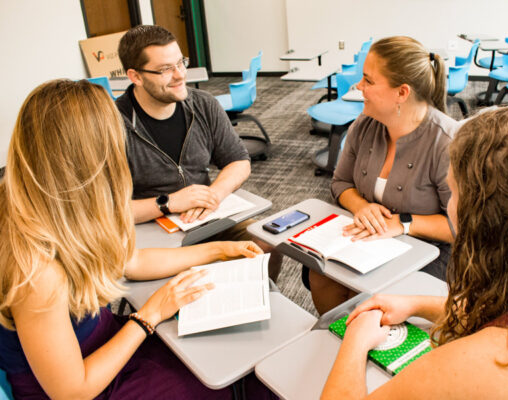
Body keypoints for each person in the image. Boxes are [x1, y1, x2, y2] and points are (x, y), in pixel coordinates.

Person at [0, 79, 276, 399]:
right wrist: (149, 316)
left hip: (103, 346)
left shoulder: (62, 209)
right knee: (220, 381)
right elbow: (72, 391)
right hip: (85, 381)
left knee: (228, 362)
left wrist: (218, 250)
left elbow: (133, 260)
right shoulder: (36, 270)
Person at [321, 107, 508, 399]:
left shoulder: (494, 363)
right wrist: (415, 304)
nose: (449, 205)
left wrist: (354, 340)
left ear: (485, 217)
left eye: (452, 192)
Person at [305, 36, 458, 314]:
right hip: (372, 239)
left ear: (402, 93)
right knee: (320, 273)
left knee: (368, 295)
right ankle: (340, 345)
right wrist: (362, 207)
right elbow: (340, 183)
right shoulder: (365, 124)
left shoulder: (447, 142)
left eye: (368, 81)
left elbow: (464, 226)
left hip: (432, 250)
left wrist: (403, 223)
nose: (358, 87)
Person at [115, 25, 281, 280]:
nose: (180, 75)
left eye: (180, 63)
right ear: (135, 76)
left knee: (265, 246)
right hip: (150, 233)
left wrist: (214, 194)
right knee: (190, 286)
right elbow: (105, 212)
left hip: (205, 220)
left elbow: (239, 161)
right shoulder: (112, 125)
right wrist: (168, 203)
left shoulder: (203, 104)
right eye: (165, 69)